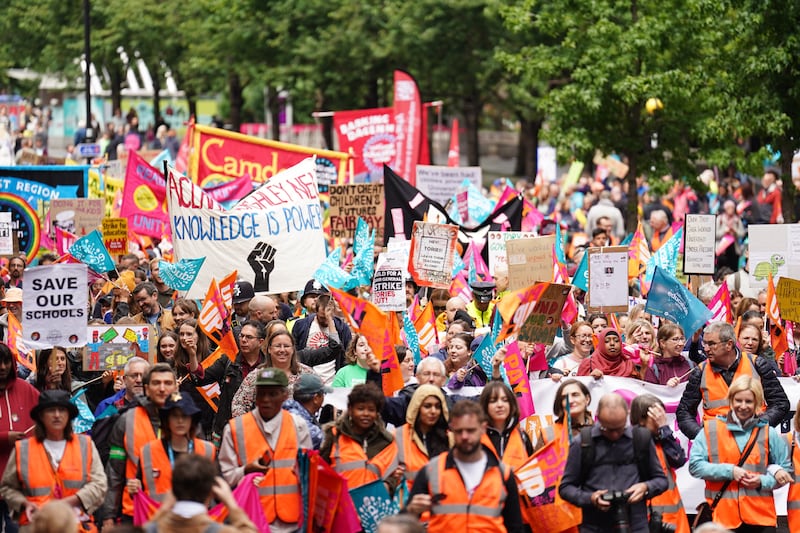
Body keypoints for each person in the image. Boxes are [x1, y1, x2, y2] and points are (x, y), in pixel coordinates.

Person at [688, 376, 792, 532]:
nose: (743, 406)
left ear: (757, 403)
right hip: (722, 519)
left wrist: (762, 481)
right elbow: (695, 466)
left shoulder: (768, 433)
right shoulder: (710, 430)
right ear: (731, 400)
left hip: (761, 519)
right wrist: (730, 471)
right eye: (738, 400)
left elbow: (786, 470)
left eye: (749, 401)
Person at [405, 399, 524, 533]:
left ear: (483, 428)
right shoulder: (432, 470)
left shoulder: (503, 474)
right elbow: (403, 524)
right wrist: (411, 511)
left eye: (470, 430)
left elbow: (515, 527)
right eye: (459, 431)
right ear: (451, 430)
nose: (465, 436)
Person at [559, 393, 668, 533]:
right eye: (608, 429)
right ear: (598, 417)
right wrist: (590, 498)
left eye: (620, 429)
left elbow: (661, 480)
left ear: (627, 415)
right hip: (595, 526)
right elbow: (566, 487)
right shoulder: (582, 443)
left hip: (635, 524)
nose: (615, 435)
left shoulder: (641, 438)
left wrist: (645, 487)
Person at [218, 367, 311, 533]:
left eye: (273, 394)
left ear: (284, 396)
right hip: (251, 520)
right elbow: (226, 477)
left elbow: (308, 474)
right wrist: (246, 471)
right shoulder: (235, 428)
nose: (266, 400)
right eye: (261, 394)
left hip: (292, 521)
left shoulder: (298, 425)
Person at [0, 390, 107, 531]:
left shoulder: (85, 445)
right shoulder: (23, 449)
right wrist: (24, 503)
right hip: (36, 526)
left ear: (69, 415)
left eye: (62, 410)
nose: (57, 415)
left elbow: (100, 484)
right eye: (51, 410)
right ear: (41, 416)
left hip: (76, 526)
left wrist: (69, 502)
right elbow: (7, 488)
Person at [676, 322, 789, 440]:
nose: (706, 348)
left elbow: (780, 403)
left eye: (712, 344)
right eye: (705, 343)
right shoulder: (700, 371)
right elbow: (684, 413)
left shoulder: (757, 364)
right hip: (716, 445)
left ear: (729, 344)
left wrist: (757, 427)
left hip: (753, 443)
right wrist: (703, 437)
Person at [101, 363, 178, 527]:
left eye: (168, 383)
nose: (162, 389)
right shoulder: (126, 420)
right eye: (156, 383)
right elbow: (114, 471)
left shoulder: (189, 421)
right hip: (136, 512)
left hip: (178, 513)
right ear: (147, 388)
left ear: (176, 387)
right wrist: (108, 516)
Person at [193, 320, 266, 445]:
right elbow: (201, 378)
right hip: (226, 429)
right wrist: (192, 355)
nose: (243, 340)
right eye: (241, 336)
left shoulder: (269, 365)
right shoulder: (228, 360)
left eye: (249, 337)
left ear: (260, 342)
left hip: (260, 430)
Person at [143, 454, 257, 533]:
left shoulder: (154, 529)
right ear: (211, 492)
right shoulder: (221, 531)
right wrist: (231, 504)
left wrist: (163, 509)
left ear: (173, 490)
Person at [136, 393, 216, 503]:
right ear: (167, 420)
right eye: (175, 415)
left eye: (184, 415)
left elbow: (217, 490)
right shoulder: (148, 451)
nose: (180, 421)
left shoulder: (207, 450)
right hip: (159, 516)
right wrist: (134, 489)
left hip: (197, 517)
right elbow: (139, 490)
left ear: (192, 420)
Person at [230, 329, 329, 417]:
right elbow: (238, 404)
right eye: (278, 346)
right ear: (269, 349)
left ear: (293, 349)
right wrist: (250, 427)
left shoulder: (307, 373)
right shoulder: (257, 375)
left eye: (286, 346)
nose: (282, 350)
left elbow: (322, 397)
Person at [320, 383, 400, 491]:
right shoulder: (334, 436)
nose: (366, 414)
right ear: (350, 409)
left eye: (371, 410)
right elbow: (321, 471)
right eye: (360, 409)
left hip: (375, 504)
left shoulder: (386, 442)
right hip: (341, 504)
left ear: (377, 412)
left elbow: (394, 474)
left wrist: (388, 485)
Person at [630, 394, 689, 533]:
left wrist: (664, 429)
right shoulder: (630, 444)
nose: (660, 420)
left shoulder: (663, 441)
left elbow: (679, 459)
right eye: (656, 416)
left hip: (673, 520)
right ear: (642, 419)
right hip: (644, 521)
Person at [0, 343, 39, 531]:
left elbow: (46, 415)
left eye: (6, 361)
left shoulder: (25, 389)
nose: (2, 367)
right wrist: (5, 438)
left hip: (20, 481)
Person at [394, 384, 451, 486]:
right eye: (427, 406)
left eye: (437, 406)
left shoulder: (450, 438)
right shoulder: (399, 435)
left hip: (442, 498)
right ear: (417, 407)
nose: (433, 411)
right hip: (410, 499)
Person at [479, 381, 533, 469]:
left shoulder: (522, 437)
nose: (500, 405)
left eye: (505, 400)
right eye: (493, 401)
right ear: (485, 405)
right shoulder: (476, 437)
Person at [283, 373, 331, 450]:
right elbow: (326, 444)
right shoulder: (299, 421)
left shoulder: (290, 411)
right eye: (323, 394)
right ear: (316, 398)